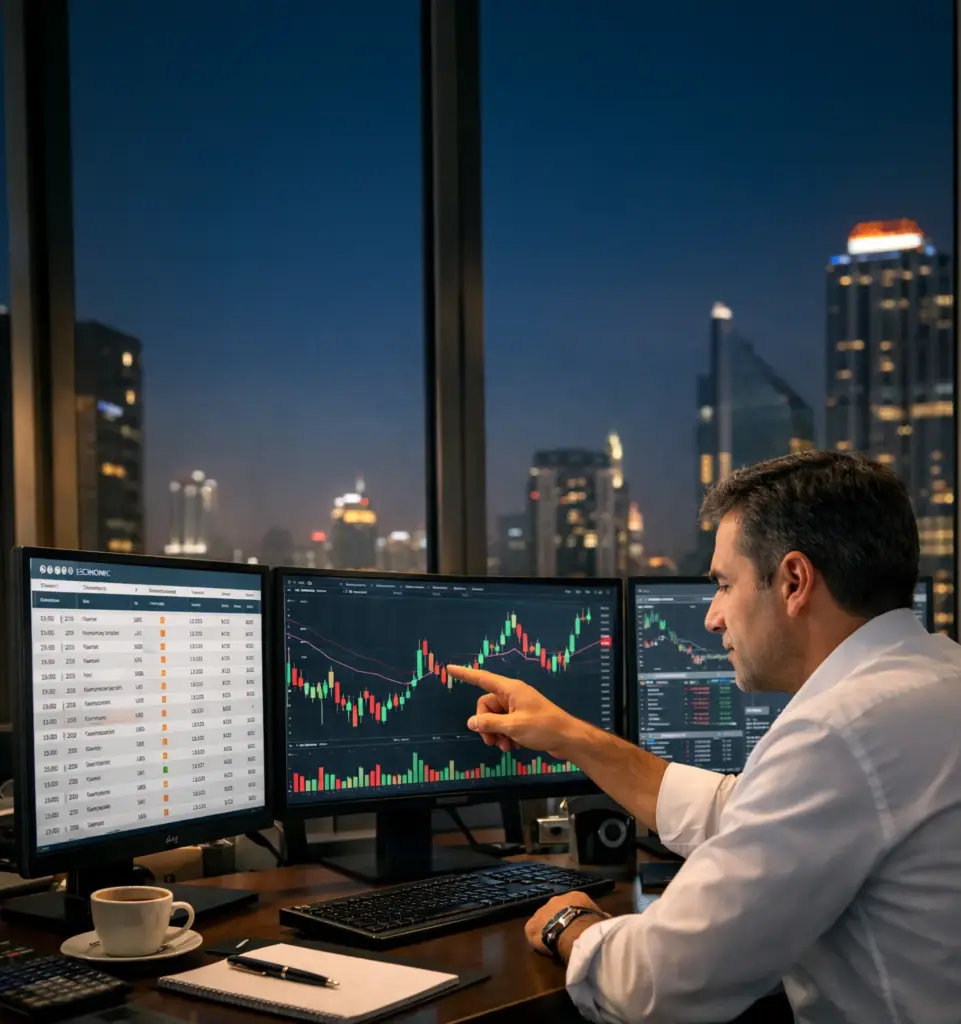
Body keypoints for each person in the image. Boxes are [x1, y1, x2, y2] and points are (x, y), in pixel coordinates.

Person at [448, 450, 961, 1024]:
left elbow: (656, 986)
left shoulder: (838, 731)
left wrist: (573, 925)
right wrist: (568, 735)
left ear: (794, 581)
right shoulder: (935, 680)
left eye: (723, 585)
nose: (712, 617)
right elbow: (746, 811)